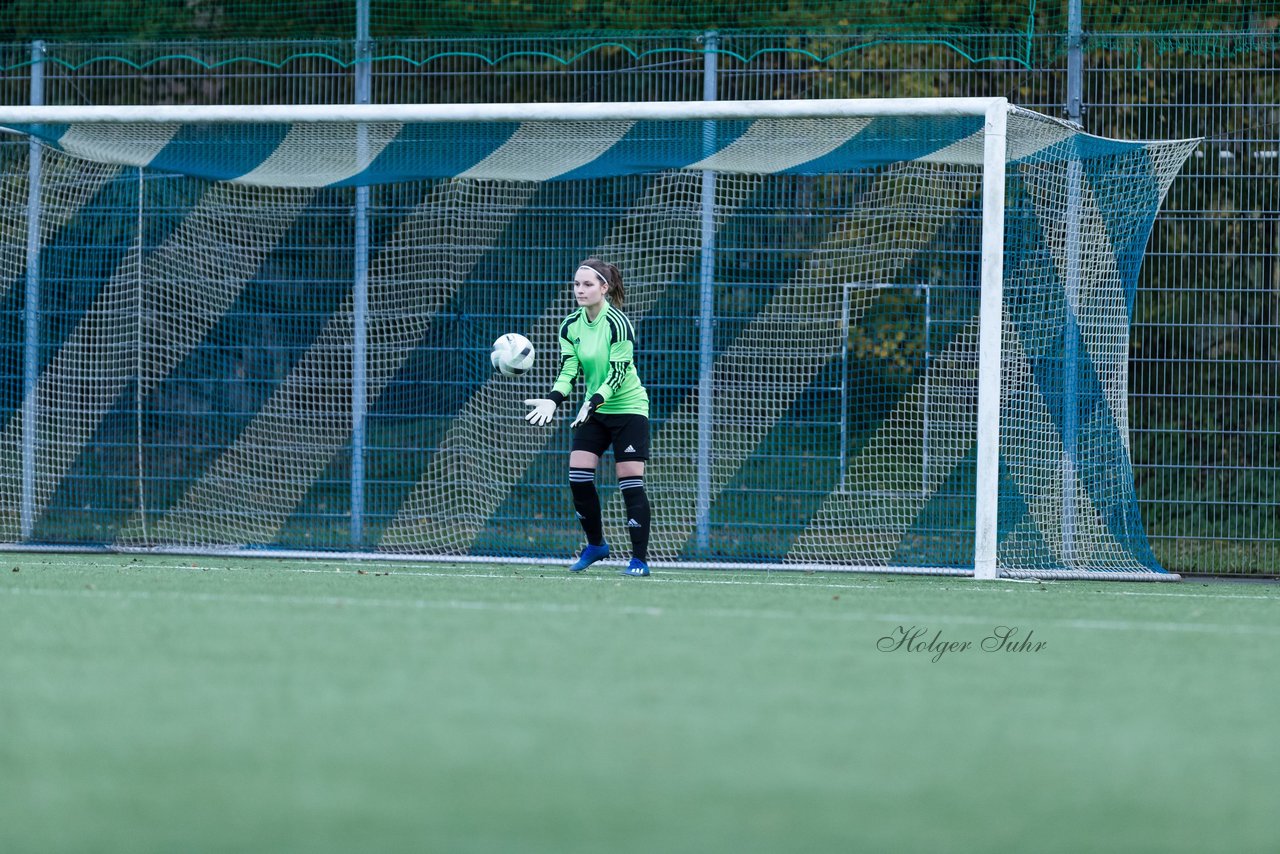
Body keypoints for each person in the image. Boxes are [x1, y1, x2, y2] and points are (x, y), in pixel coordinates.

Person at [523, 258, 652, 578]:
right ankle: (596, 545)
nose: (580, 290)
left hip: (628, 408)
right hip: (593, 411)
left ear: (604, 288)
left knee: (630, 482)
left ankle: (638, 560)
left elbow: (619, 373)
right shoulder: (569, 325)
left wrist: (592, 402)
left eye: (588, 284)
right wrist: (553, 400)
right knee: (578, 478)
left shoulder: (618, 323)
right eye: (577, 284)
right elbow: (569, 370)